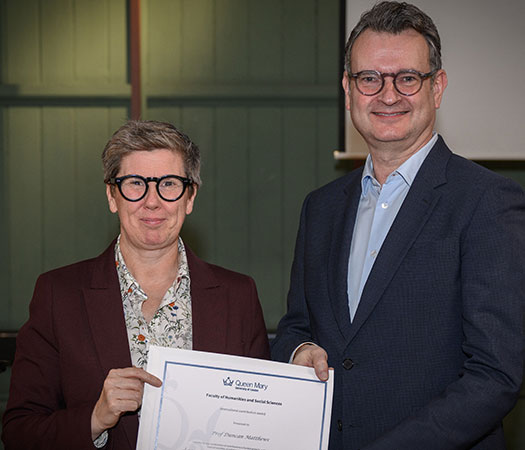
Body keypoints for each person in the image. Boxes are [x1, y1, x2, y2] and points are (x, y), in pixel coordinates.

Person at [271, 2, 525, 449]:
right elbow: (296, 326)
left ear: (437, 87)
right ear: (349, 90)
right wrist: (298, 351)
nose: (388, 96)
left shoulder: (488, 202)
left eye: (407, 78)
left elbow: (496, 374)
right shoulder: (321, 208)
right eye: (370, 79)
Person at [2, 120, 270, 450]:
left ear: (190, 197)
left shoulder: (238, 296)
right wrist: (96, 418)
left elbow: (259, 424)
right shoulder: (59, 295)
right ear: (112, 195)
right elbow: (19, 432)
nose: (152, 201)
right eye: (135, 183)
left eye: (169, 184)